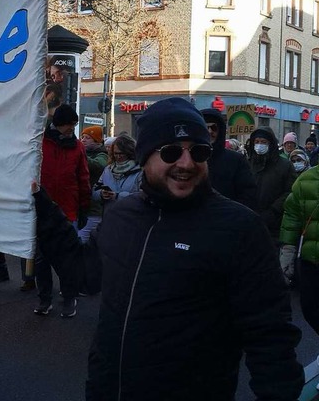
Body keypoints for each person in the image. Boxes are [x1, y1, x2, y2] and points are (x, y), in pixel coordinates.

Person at [86, 97, 304, 400]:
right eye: (172, 151)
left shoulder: (240, 227)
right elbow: (81, 275)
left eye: (199, 152)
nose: (186, 163)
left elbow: (271, 338)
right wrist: (39, 207)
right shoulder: (121, 217)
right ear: (146, 157)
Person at [36, 104, 90, 318]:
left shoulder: (77, 147)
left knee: (67, 259)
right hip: (43, 208)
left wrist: (83, 207)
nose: (72, 128)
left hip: (68, 210)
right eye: (71, 124)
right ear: (60, 123)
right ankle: (44, 300)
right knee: (42, 259)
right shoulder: (40, 143)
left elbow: (83, 178)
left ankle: (69, 298)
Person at [247, 127, 296, 245]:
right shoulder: (246, 163)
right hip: (249, 221)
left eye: (263, 142)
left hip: (274, 225)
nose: (259, 145)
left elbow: (290, 191)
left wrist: (273, 211)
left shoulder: (285, 166)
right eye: (257, 142)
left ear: (271, 144)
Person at [200, 109, 256, 208]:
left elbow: (247, 194)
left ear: (220, 130)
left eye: (214, 128)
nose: (210, 131)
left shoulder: (237, 160)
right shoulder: (189, 158)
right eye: (205, 127)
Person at [92, 134, 142, 218]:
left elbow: (143, 196)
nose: (118, 156)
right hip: (110, 217)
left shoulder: (140, 171)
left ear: (129, 152)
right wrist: (101, 194)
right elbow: (95, 190)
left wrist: (118, 196)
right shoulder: (108, 170)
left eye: (121, 153)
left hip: (132, 218)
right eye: (115, 153)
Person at [78, 126, 108, 244]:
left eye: (88, 138)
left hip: (94, 208)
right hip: (81, 206)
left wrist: (80, 156)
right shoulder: (85, 152)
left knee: (84, 241)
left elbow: (99, 165)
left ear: (97, 140)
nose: (83, 140)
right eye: (82, 137)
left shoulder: (102, 155)